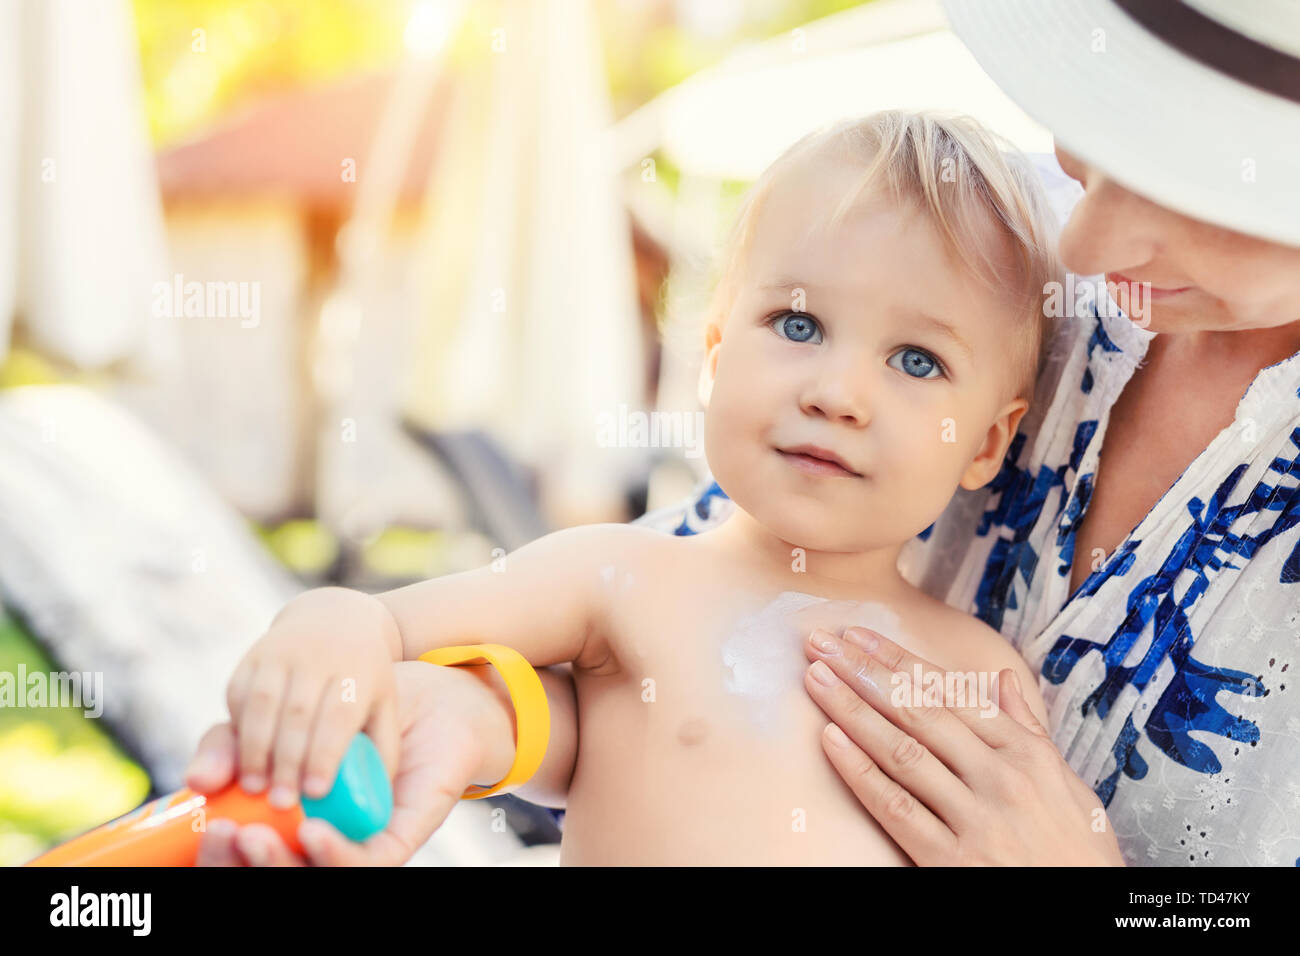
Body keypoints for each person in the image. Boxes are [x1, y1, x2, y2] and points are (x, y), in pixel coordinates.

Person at [187, 110, 1077, 864]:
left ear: (989, 441)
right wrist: (321, 633)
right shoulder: (621, 578)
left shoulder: (982, 684)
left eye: (916, 360)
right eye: (798, 323)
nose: (837, 393)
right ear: (715, 356)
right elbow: (384, 625)